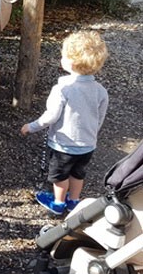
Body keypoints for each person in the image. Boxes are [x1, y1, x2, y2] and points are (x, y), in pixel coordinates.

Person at [21, 30, 109, 215]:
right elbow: (99, 117)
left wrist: (32, 126)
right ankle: (74, 201)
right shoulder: (101, 91)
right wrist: (92, 134)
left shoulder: (62, 88)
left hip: (63, 144)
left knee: (60, 175)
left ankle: (58, 203)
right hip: (88, 144)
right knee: (78, 173)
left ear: (70, 62)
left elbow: (51, 116)